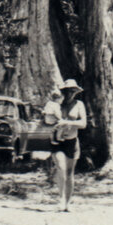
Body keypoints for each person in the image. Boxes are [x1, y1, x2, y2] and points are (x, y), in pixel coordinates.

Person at [43, 79, 87, 212]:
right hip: (57, 141)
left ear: (76, 92)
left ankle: (67, 203)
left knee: (69, 173)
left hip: (72, 141)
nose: (70, 93)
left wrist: (67, 123)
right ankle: (61, 199)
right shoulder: (56, 104)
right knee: (61, 168)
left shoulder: (79, 104)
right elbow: (47, 119)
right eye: (67, 90)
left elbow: (83, 124)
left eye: (73, 91)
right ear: (63, 91)